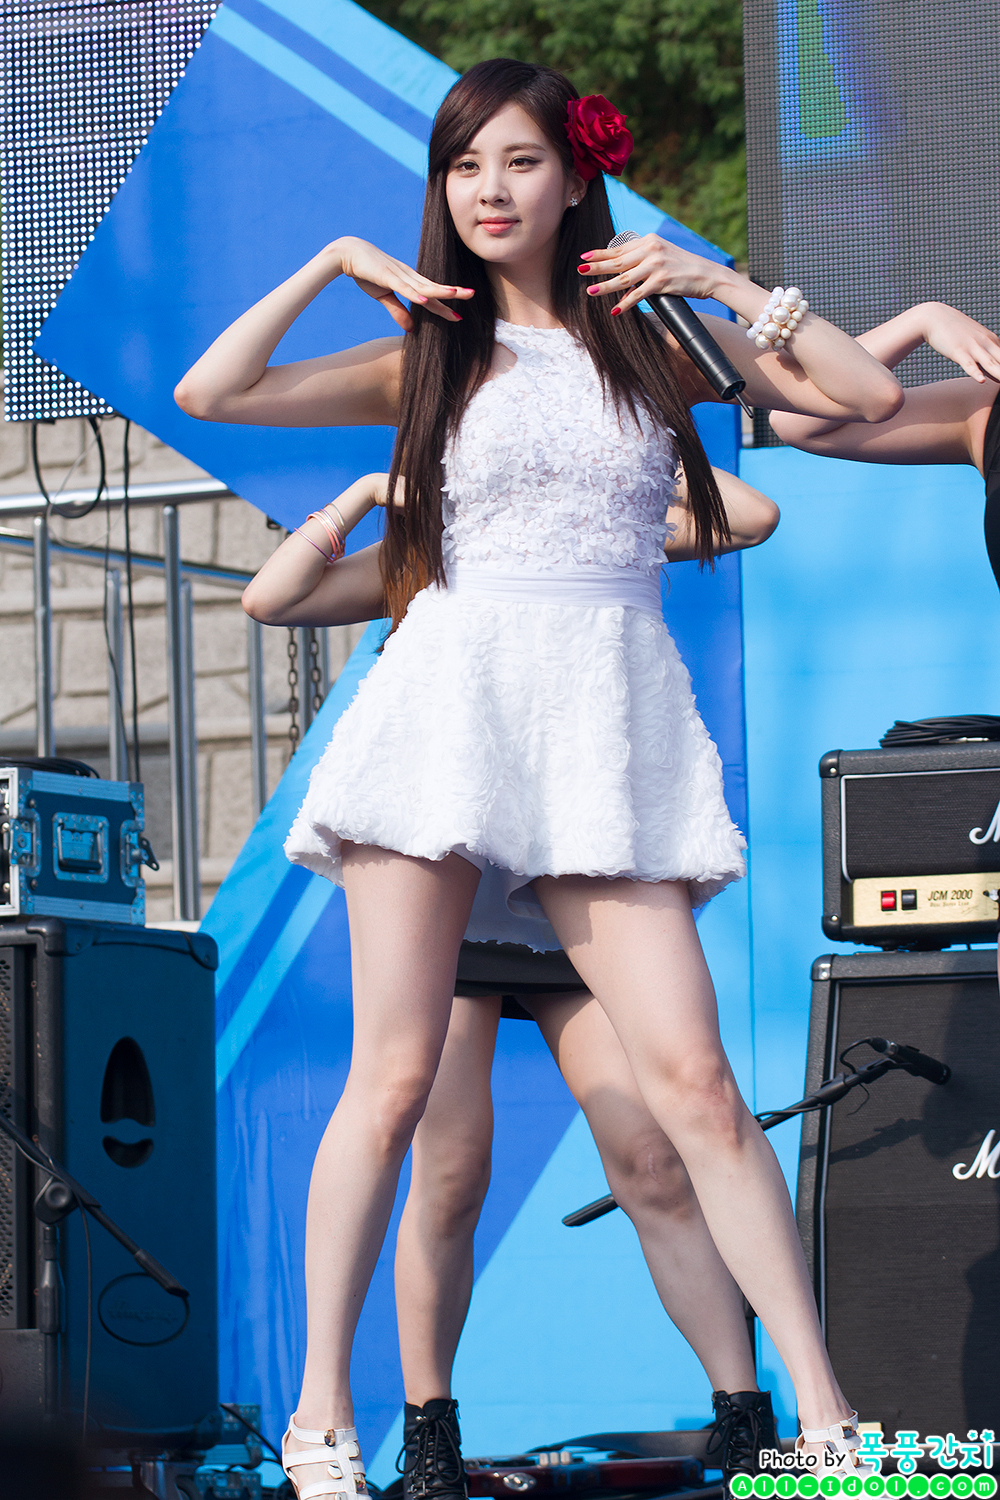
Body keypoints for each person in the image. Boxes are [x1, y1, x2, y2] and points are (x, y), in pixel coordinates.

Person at [175, 57, 902, 1500]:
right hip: (448, 715)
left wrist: (713, 277)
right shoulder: (429, 356)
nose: (489, 191)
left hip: (599, 728)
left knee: (695, 1085)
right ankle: (322, 1419)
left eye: (517, 161)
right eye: (463, 167)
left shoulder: (651, 337)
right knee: (393, 1084)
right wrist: (333, 259)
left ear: (576, 177)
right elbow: (217, 387)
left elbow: (868, 393)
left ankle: (823, 1418)